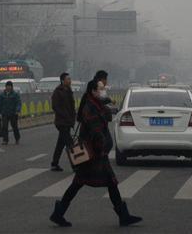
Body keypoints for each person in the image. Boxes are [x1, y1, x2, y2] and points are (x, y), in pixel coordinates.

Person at [50, 70, 142, 228]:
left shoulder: (96, 104)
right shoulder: (90, 107)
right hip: (94, 154)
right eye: (100, 89)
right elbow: (96, 130)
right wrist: (102, 148)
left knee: (104, 183)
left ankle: (123, 215)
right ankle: (59, 213)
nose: (102, 91)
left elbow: (107, 116)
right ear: (93, 91)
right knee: (82, 183)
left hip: (96, 153)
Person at [50, 72, 75, 171]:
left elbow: (71, 107)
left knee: (60, 144)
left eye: (70, 79)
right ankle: (76, 165)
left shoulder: (69, 90)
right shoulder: (58, 91)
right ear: (62, 80)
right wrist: (65, 116)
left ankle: (54, 163)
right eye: (68, 79)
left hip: (68, 121)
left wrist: (73, 117)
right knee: (70, 144)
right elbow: (55, 107)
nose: (70, 81)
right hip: (62, 122)